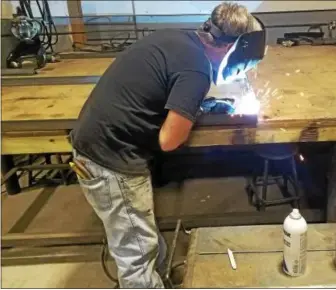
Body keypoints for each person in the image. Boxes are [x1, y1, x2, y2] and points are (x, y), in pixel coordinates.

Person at [69, 2, 264, 288]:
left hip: (95, 143)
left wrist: (198, 106)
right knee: (136, 255)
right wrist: (191, 114)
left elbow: (163, 86)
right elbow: (169, 140)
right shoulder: (197, 72)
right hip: (111, 158)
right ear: (232, 49)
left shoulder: (178, 38)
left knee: (143, 237)